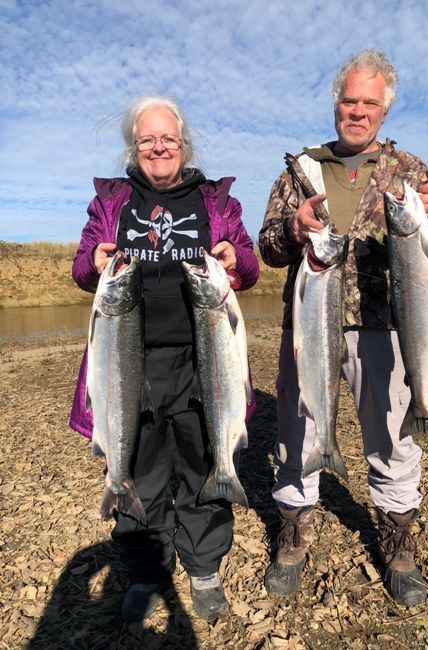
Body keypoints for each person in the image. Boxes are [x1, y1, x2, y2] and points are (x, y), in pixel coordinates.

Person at [259, 48, 428, 608]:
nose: (358, 110)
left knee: (393, 441)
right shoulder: (298, 170)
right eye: (350, 99)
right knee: (296, 433)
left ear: (384, 112)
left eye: (369, 102)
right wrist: (293, 233)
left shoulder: (410, 172)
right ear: (336, 104)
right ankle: (294, 539)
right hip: (309, 326)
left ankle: (398, 547)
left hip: (388, 329)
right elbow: (268, 249)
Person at [69, 94, 259, 623]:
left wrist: (234, 258)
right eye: (147, 138)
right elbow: (83, 268)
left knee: (205, 457)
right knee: (138, 467)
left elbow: (249, 264)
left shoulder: (214, 201)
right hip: (129, 359)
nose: (158, 147)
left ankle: (203, 568)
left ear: (183, 144)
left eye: (168, 138)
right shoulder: (113, 202)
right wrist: (96, 260)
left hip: (204, 358)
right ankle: (148, 570)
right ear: (135, 145)